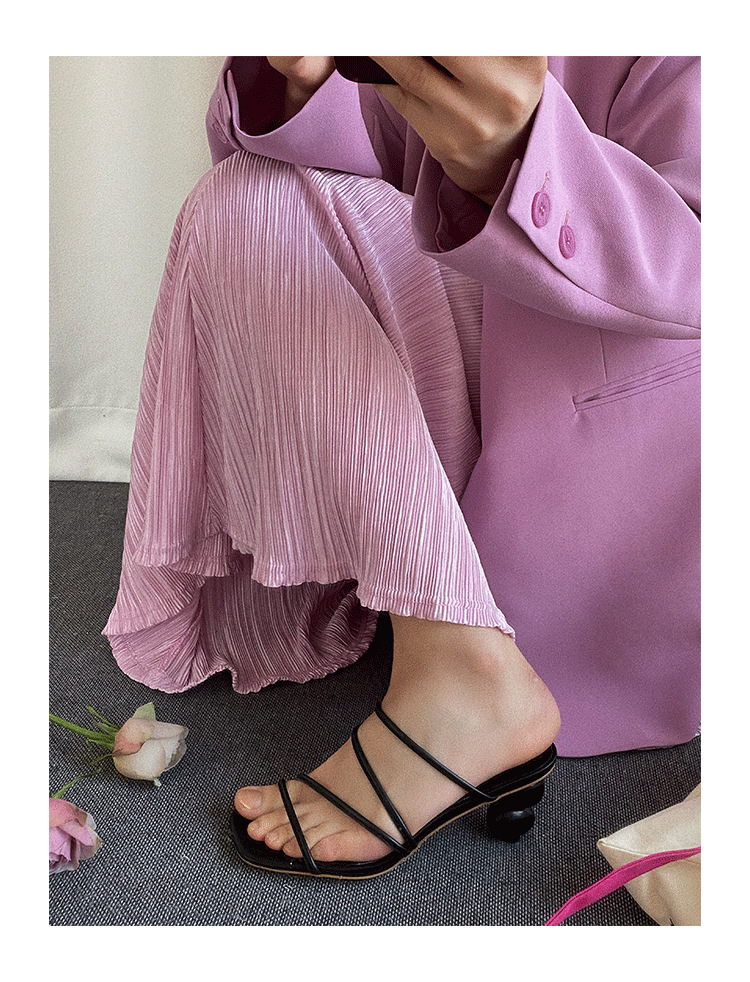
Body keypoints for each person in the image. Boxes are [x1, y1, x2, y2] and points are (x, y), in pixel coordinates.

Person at [104, 56, 700, 878]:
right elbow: (369, 162)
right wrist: (309, 84)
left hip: (636, 435)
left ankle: (465, 682)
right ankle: (457, 655)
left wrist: (524, 157)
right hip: (481, 357)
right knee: (248, 199)